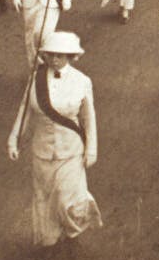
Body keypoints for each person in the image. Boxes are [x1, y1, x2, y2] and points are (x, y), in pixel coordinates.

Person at [7, 31, 101, 248]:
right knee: (44, 198)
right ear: (45, 56)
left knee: (67, 198)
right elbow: (25, 111)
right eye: (51, 55)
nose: (55, 59)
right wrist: (13, 139)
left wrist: (92, 149)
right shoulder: (35, 79)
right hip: (42, 150)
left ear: (70, 56)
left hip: (71, 150)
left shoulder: (82, 81)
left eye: (61, 55)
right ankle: (49, 240)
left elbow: (89, 117)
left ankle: (73, 230)